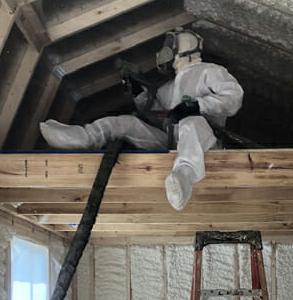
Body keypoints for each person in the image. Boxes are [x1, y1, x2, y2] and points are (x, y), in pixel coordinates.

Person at [39, 28, 244, 210]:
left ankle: (184, 177)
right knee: (127, 122)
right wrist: (139, 92)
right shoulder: (169, 87)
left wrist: (198, 105)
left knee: (191, 122)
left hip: (206, 143)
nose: (165, 52)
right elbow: (156, 115)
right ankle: (82, 137)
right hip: (173, 142)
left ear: (181, 46)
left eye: (169, 46)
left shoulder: (209, 71)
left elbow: (233, 98)